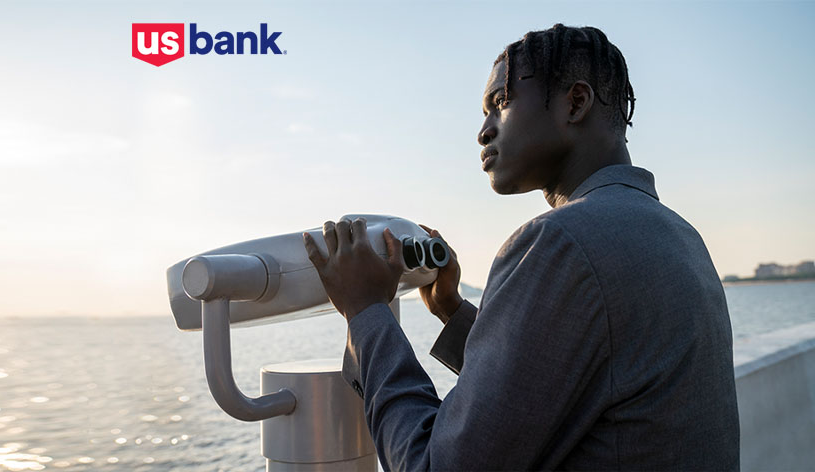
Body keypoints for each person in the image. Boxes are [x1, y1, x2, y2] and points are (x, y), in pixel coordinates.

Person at [302, 23, 740, 471]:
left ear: (575, 103)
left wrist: (366, 311)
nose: (483, 132)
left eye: (500, 103)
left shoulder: (559, 242)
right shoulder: (680, 235)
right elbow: (567, 374)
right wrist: (453, 310)